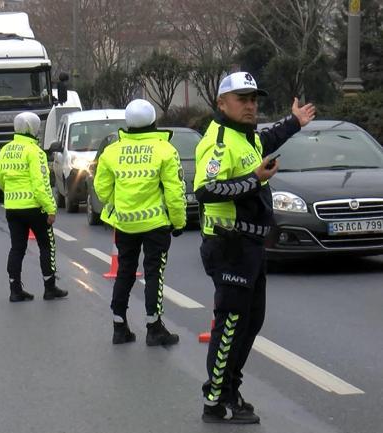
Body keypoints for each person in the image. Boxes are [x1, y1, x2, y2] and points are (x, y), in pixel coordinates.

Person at [194, 72, 316, 424]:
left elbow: (266, 139)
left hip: (250, 243)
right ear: (221, 103)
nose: (250, 106)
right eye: (242, 99)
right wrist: (255, 180)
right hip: (227, 243)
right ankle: (215, 402)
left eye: (254, 100)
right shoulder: (218, 141)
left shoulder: (242, 137)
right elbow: (204, 190)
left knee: (251, 321)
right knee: (231, 323)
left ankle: (230, 389)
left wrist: (294, 122)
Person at [93, 99, 186, 346]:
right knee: (154, 273)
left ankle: (119, 326)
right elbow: (175, 193)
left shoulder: (111, 151)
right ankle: (154, 327)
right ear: (154, 121)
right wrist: (178, 222)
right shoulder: (165, 150)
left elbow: (101, 190)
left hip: (124, 224)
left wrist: (122, 204)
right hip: (156, 224)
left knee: (125, 271)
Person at [0, 112, 68, 302]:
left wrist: (10, 191)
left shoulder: (6, 150)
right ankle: (49, 287)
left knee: (17, 248)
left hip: (12, 208)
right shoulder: (35, 152)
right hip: (35, 208)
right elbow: (40, 184)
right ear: (33, 129)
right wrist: (50, 208)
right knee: (46, 245)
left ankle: (15, 290)